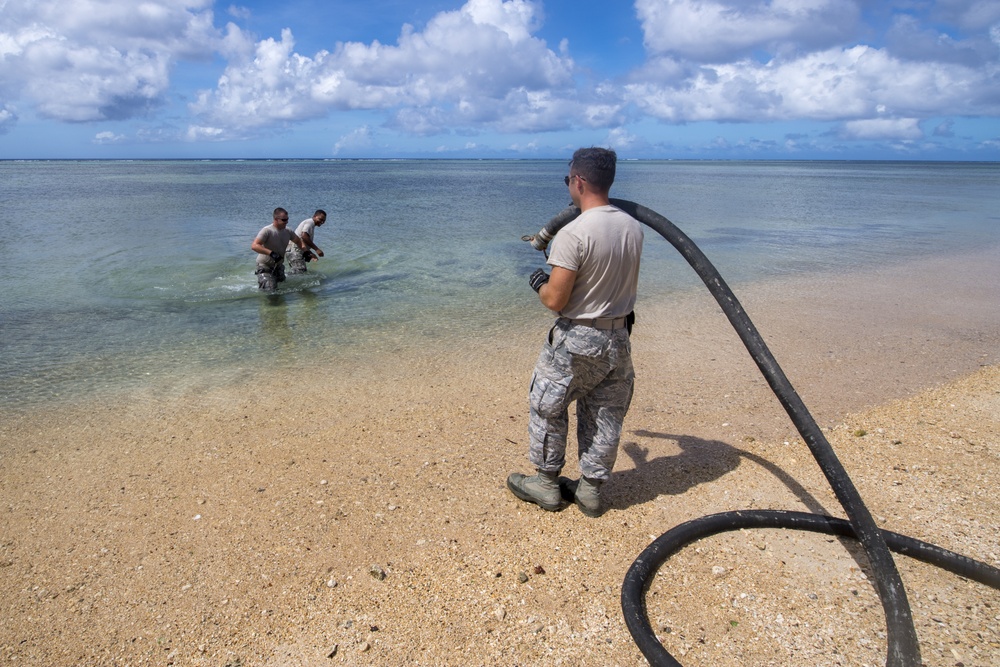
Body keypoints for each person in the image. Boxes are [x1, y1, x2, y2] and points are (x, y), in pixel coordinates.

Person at [507, 147, 644, 518]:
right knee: (605, 412)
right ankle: (591, 490)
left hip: (578, 337)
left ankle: (548, 484)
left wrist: (538, 282)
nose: (569, 186)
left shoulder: (575, 232)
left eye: (568, 179)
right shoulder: (633, 227)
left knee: (547, 405)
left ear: (579, 180)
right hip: (618, 338)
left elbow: (556, 298)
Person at [251, 208, 306, 290]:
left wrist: (306, 252)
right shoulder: (267, 231)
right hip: (265, 266)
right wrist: (271, 253)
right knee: (271, 290)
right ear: (276, 219)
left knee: (283, 287)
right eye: (284, 220)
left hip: (278, 266)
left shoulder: (288, 231)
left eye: (287, 219)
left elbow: (298, 241)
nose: (286, 222)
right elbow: (254, 246)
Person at [286, 209, 327, 274]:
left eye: (323, 221)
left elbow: (302, 240)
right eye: (320, 219)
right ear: (314, 216)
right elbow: (304, 236)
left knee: (298, 272)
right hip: (295, 249)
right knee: (300, 272)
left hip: (296, 248)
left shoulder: (311, 224)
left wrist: (310, 253)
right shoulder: (310, 222)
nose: (322, 222)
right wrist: (317, 249)